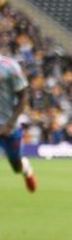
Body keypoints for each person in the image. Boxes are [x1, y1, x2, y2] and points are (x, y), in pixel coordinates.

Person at [0, 55, 36, 192]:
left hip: (8, 126)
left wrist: (9, 124)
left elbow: (24, 96)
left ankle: (26, 169)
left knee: (16, 166)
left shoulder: (10, 66)